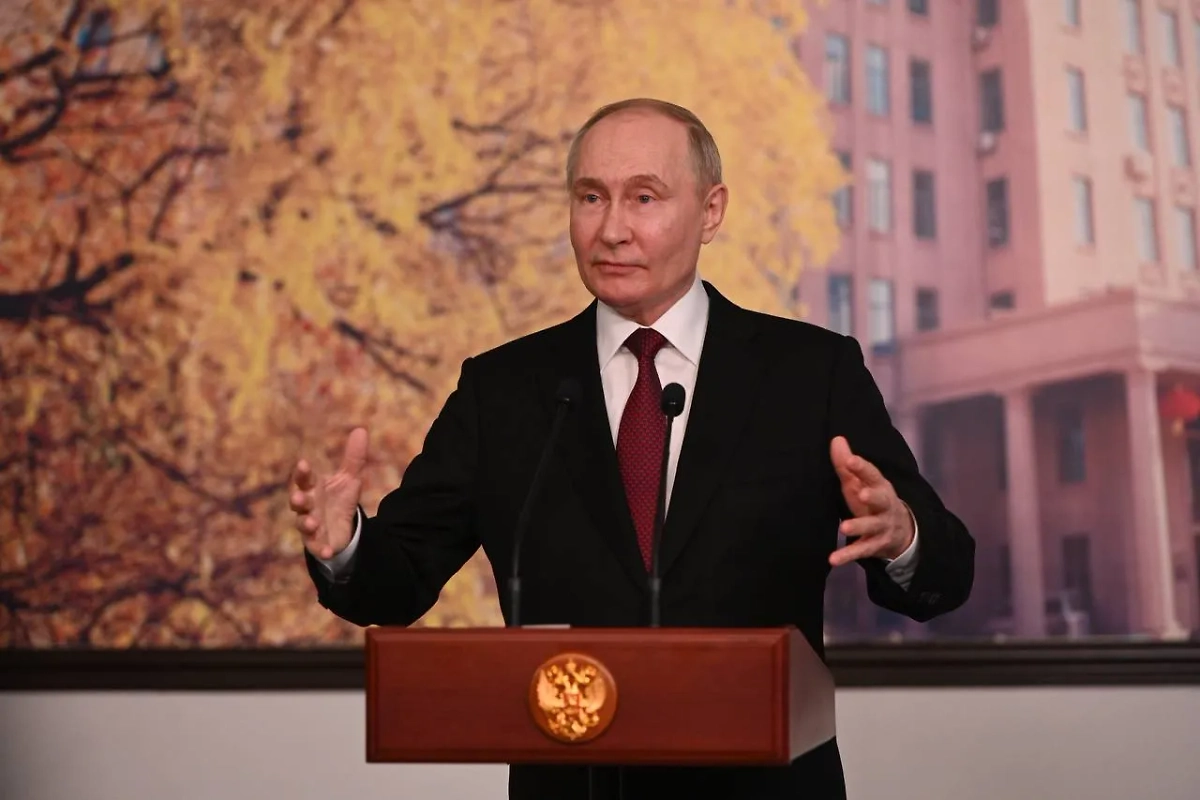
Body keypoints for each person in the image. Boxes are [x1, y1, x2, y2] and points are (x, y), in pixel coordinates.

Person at [289, 98, 975, 799]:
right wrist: (345, 547)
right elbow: (396, 581)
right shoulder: (504, 389)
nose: (612, 229)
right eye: (591, 197)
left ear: (711, 212)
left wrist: (903, 536)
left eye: (644, 198)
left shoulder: (811, 373)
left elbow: (946, 576)